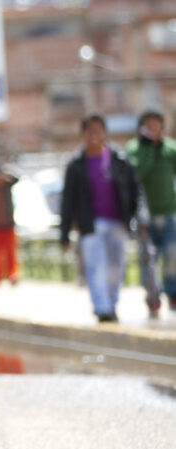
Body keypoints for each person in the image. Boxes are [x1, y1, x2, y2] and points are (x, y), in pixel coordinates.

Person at [60, 114, 143, 323]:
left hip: (118, 221)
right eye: (89, 131)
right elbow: (68, 200)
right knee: (95, 267)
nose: (94, 135)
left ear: (105, 133)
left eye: (98, 130)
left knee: (116, 267)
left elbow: (135, 190)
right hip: (90, 224)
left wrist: (136, 218)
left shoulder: (120, 160)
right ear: (83, 135)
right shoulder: (76, 165)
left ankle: (112, 304)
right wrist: (64, 233)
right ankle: (101, 308)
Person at [126, 110, 176, 317]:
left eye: (157, 125)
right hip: (144, 216)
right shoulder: (134, 149)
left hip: (169, 212)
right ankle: (152, 297)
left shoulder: (170, 149)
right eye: (149, 125)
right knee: (148, 258)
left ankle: (173, 292)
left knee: (173, 255)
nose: (154, 129)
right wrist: (149, 148)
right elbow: (137, 173)